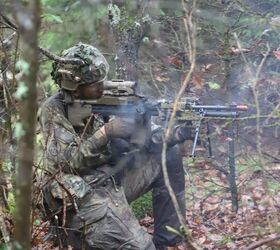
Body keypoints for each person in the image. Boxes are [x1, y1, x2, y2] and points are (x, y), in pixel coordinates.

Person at [39, 43, 190, 250]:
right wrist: (106, 132)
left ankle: (168, 242)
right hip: (82, 195)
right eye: (94, 83)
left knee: (169, 154)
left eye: (102, 80)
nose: (102, 86)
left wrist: (174, 134)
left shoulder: (108, 96)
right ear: (75, 86)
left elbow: (148, 139)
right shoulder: (54, 110)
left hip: (113, 180)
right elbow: (66, 163)